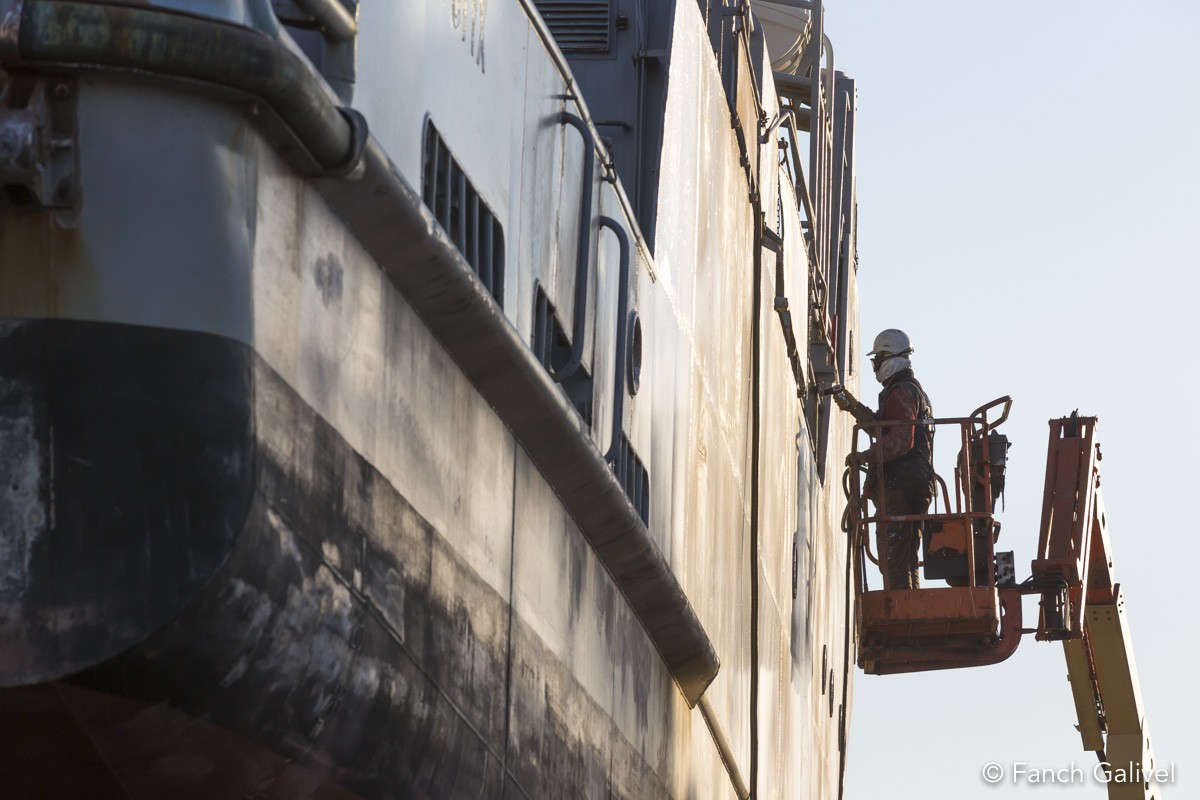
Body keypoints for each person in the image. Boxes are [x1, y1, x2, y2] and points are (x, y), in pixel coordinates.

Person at [855, 329, 936, 590]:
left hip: (901, 484)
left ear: (891, 358)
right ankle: (911, 603)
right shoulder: (912, 390)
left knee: (894, 558)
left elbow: (900, 440)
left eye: (878, 360)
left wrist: (864, 457)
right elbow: (889, 429)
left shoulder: (901, 392)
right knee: (907, 556)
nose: (875, 367)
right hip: (917, 484)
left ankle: (901, 605)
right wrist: (853, 407)